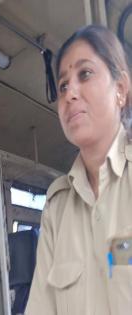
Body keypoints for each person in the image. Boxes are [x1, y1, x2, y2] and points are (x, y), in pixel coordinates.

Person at [26, 25, 132, 315]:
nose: (70, 93)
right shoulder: (57, 206)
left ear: (120, 90)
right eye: (62, 86)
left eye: (85, 74)